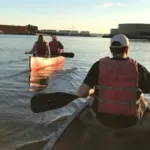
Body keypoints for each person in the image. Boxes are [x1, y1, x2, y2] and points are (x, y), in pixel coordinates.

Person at [77, 34, 150, 128]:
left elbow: (81, 93)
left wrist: (92, 91)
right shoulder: (138, 68)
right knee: (142, 97)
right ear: (127, 49)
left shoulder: (98, 66)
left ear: (111, 49)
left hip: (103, 118)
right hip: (130, 120)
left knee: (94, 97)